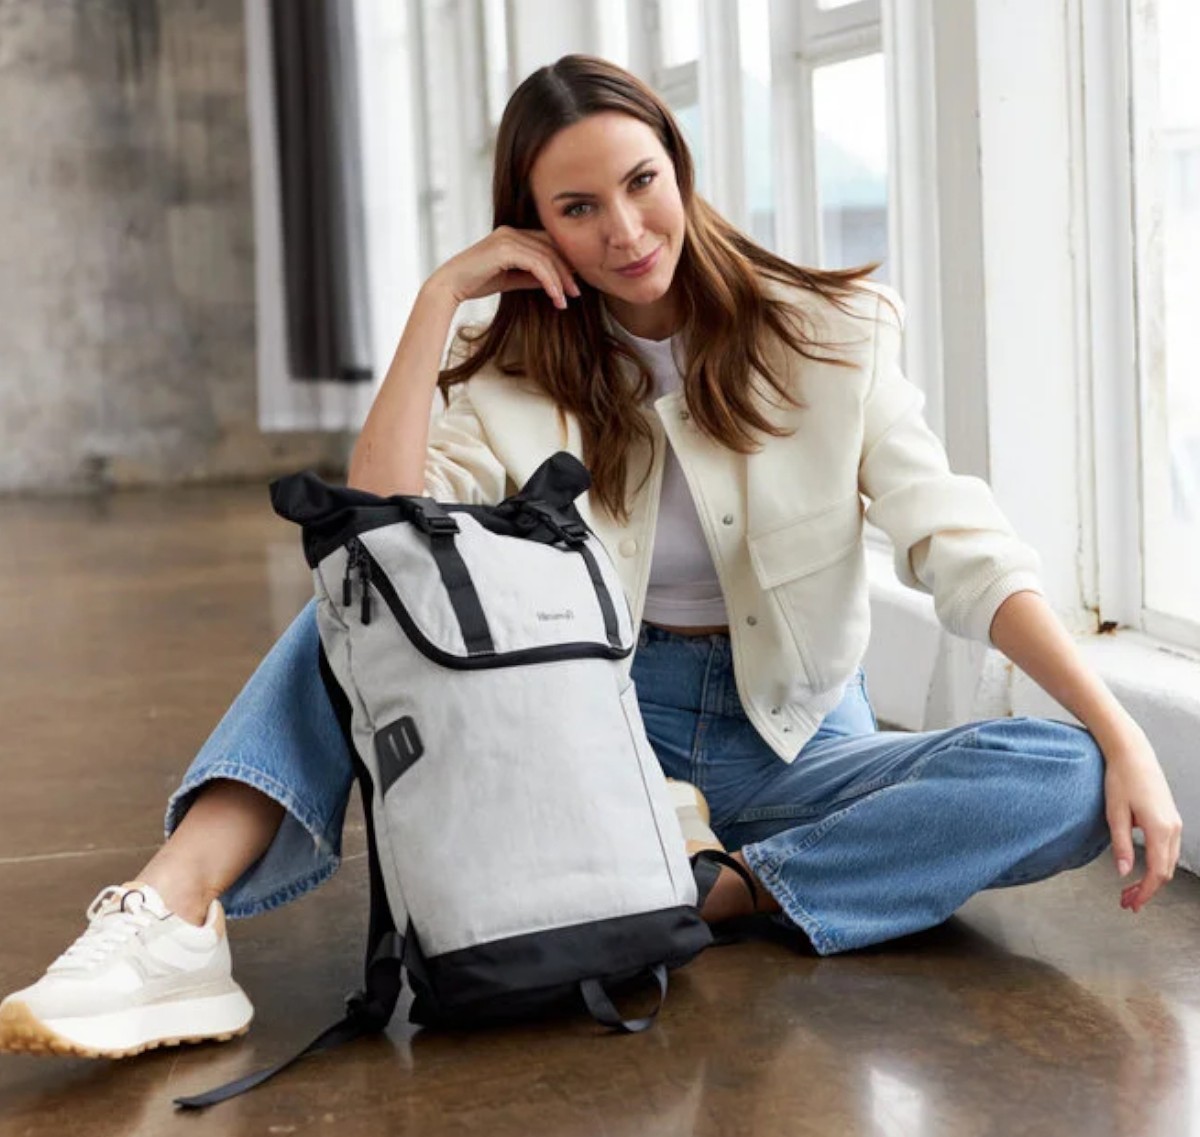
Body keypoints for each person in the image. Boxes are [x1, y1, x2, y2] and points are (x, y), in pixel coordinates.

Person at [0, 55, 1182, 1060]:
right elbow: (376, 526)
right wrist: (440, 298)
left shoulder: (831, 336)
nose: (623, 230)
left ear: (680, 167)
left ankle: (710, 888)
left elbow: (962, 547)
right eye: (577, 208)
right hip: (599, 734)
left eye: (641, 182)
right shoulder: (511, 370)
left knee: (1064, 776)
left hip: (802, 739)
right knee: (351, 603)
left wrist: (1122, 734)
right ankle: (172, 912)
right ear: (533, 227)